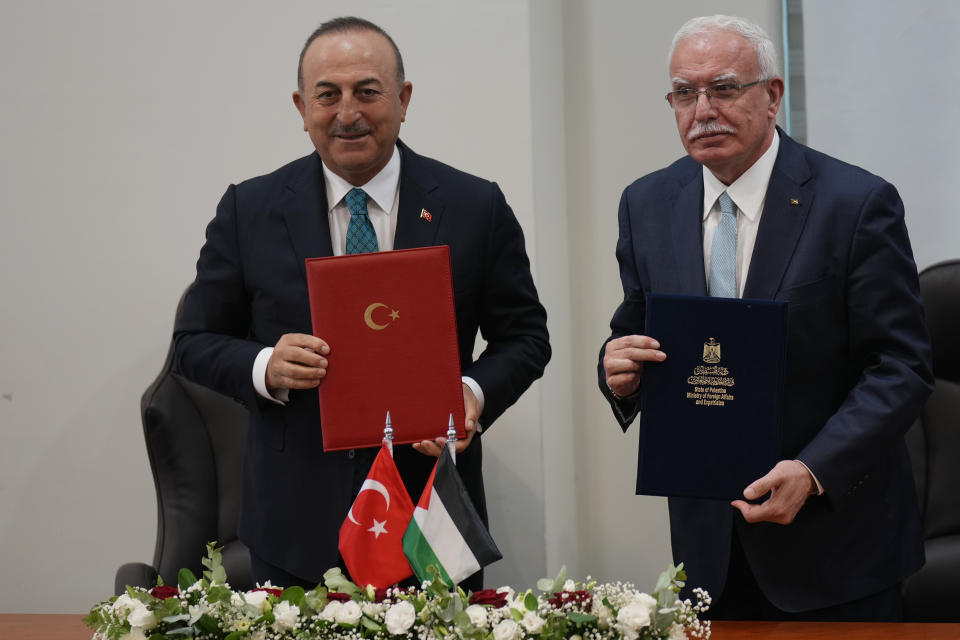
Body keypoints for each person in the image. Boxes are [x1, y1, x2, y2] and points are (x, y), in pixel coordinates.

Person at [174, 16, 550, 591]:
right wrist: (264, 365)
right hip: (293, 526)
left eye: (367, 91)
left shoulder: (476, 206)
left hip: (433, 520)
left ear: (403, 100)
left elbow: (525, 338)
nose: (347, 112)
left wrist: (468, 395)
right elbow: (193, 344)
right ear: (302, 108)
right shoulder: (248, 210)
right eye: (328, 95)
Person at [598, 15, 932, 621]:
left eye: (723, 89)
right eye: (684, 93)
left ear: (772, 95)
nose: (702, 110)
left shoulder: (855, 204)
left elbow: (900, 367)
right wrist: (617, 368)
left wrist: (813, 470)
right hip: (708, 553)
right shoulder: (645, 203)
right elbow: (637, 325)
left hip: (837, 553)